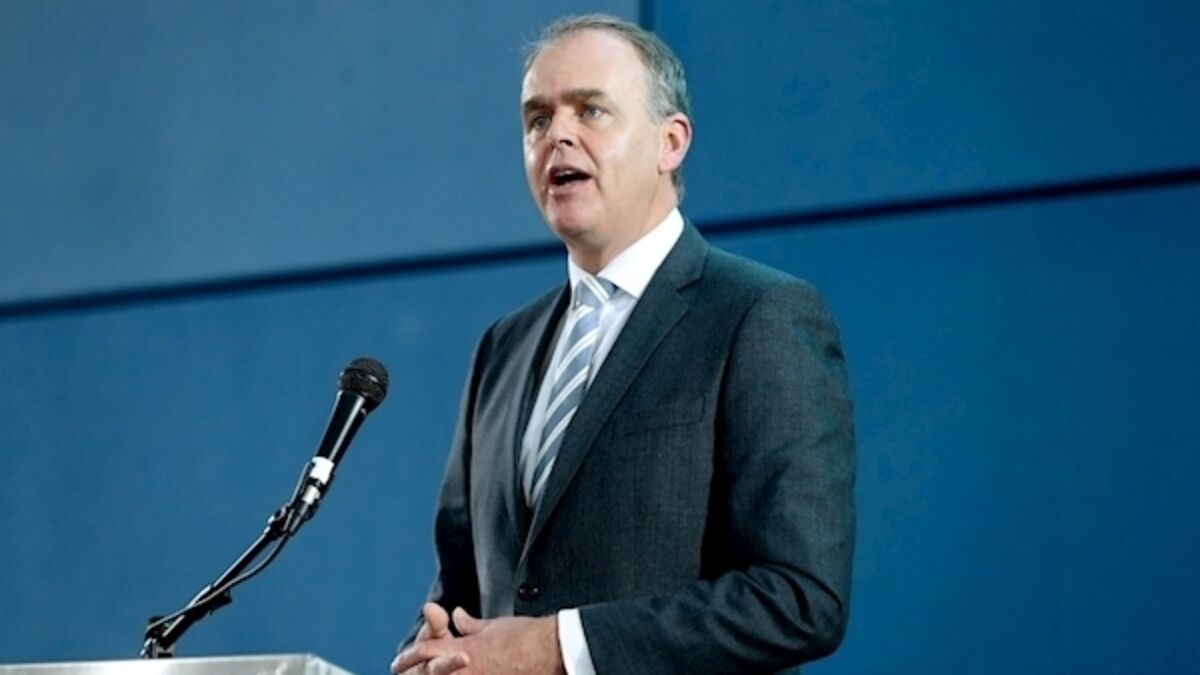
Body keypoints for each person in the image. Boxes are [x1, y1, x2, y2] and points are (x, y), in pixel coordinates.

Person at [392, 13, 855, 675]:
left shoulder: (757, 315)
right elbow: (460, 588)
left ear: (670, 143)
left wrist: (557, 646)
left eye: (591, 110)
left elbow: (800, 598)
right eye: (538, 119)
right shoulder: (503, 347)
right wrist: (432, 651)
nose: (558, 135)